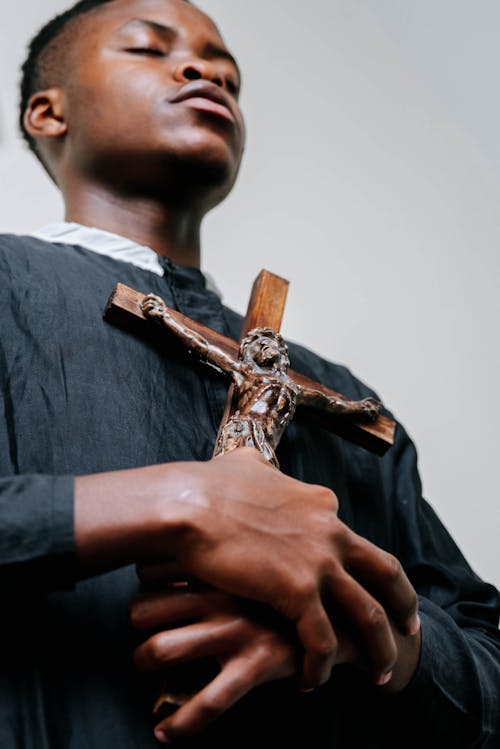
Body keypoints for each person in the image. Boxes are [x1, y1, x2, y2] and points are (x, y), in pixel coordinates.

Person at [0, 0, 498, 747]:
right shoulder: (10, 280)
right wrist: (181, 501)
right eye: (149, 48)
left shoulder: (351, 407)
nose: (208, 72)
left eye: (226, 69)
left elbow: (486, 663)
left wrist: (365, 636)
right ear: (49, 112)